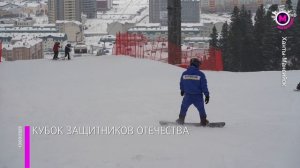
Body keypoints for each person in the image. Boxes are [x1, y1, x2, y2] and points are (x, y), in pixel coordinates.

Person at [176, 58, 210, 126]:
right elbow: (204, 86)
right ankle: (203, 121)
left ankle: (181, 120)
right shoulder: (201, 74)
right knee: (201, 109)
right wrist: (207, 95)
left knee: (184, 108)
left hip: (187, 96)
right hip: (198, 96)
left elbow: (182, 83)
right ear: (197, 64)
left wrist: (182, 90)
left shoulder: (184, 73)